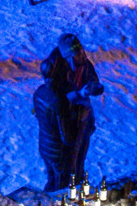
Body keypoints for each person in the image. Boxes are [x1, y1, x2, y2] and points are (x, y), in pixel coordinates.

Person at [33, 33, 103, 192]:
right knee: (65, 172)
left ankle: (75, 188)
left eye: (82, 52)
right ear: (69, 57)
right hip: (67, 124)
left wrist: (93, 88)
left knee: (78, 162)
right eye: (78, 54)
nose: (82, 56)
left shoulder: (84, 64)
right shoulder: (56, 72)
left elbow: (93, 81)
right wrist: (77, 95)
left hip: (81, 121)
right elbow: (58, 100)